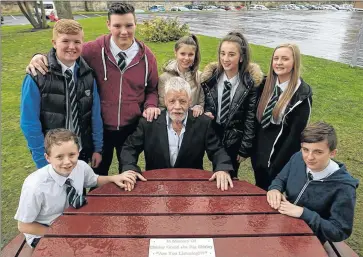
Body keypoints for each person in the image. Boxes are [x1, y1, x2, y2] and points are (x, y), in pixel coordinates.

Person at [26, 2, 160, 176]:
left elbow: (152, 88)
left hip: (131, 128)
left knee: (129, 173)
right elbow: (64, 52)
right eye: (117, 25)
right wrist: (38, 57)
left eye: (129, 25)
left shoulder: (147, 57)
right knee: (96, 176)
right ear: (108, 25)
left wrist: (150, 105)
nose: (124, 31)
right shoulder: (92, 50)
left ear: (136, 24)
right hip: (100, 129)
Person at [14, 128, 144, 249]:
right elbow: (24, 225)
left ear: (78, 152)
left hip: (74, 223)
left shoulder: (80, 166)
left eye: (72, 154)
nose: (67, 162)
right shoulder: (35, 186)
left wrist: (113, 178)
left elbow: (94, 180)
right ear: (47, 158)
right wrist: (60, 233)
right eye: (59, 157)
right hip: (45, 233)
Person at [121, 77, 235, 191]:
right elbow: (130, 148)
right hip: (156, 186)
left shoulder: (203, 123)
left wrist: (222, 169)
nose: (177, 107)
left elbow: (217, 150)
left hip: (191, 186)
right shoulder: (149, 123)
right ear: (165, 100)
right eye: (172, 101)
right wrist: (130, 169)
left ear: (190, 101)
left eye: (182, 101)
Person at [20, 19, 103, 169]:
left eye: (77, 42)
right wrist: (42, 159)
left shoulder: (88, 75)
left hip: (79, 151)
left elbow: (95, 115)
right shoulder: (37, 76)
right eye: (65, 41)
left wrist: (97, 148)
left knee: (78, 190)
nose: (72, 47)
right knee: (55, 191)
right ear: (54, 42)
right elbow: (29, 122)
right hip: (53, 156)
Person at [267, 122, 358, 243]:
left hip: (310, 242)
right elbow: (281, 178)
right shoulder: (298, 157)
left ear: (332, 153)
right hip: (281, 227)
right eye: (305, 149)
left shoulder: (344, 187)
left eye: (318, 152)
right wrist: (275, 188)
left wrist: (303, 213)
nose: (309, 157)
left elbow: (339, 231)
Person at [201, 31, 263, 178]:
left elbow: (250, 117)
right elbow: (207, 103)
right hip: (213, 135)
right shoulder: (211, 79)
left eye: (231, 54)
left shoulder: (249, 84)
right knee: (212, 172)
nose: (225, 59)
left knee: (229, 174)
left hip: (234, 139)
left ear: (241, 57)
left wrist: (245, 148)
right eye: (222, 53)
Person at [251, 43, 313, 190]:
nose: (279, 63)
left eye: (285, 59)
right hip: (260, 149)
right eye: (276, 58)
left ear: (294, 62)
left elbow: (295, 136)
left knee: (272, 190)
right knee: (259, 186)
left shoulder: (301, 95)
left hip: (280, 153)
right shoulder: (265, 85)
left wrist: (278, 164)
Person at [158, 34, 204, 117]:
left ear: (195, 55)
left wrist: (199, 107)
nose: (186, 58)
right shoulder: (164, 78)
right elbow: (161, 106)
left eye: (190, 54)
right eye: (182, 54)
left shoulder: (200, 77)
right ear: (175, 53)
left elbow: (202, 102)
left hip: (192, 121)